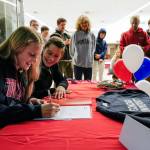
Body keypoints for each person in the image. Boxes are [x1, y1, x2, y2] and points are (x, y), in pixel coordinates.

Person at [0, 26, 59, 128]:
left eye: (37, 56)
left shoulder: (21, 68)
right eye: (32, 55)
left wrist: (29, 102)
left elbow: (10, 101)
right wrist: (35, 110)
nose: (36, 61)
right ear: (16, 47)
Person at [70, 15, 96, 80]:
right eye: (82, 23)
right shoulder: (75, 34)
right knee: (78, 83)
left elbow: (93, 48)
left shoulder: (92, 35)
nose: (84, 24)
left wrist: (90, 57)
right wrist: (75, 57)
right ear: (79, 24)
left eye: (86, 23)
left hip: (88, 64)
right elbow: (71, 48)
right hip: (78, 64)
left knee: (88, 83)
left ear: (88, 24)